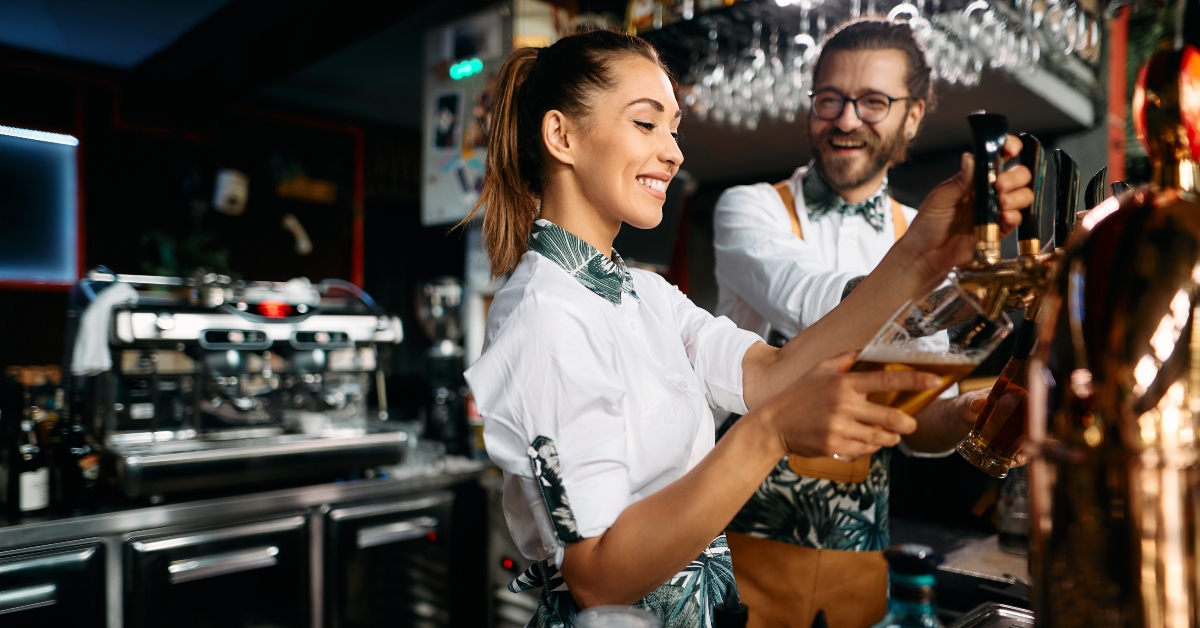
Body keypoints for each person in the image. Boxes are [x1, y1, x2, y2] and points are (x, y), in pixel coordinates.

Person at [462, 28, 1031, 628]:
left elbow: (772, 374)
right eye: (647, 124)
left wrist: (922, 254)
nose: (675, 152)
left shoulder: (644, 295)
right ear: (562, 135)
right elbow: (599, 577)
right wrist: (770, 434)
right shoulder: (543, 314)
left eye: (674, 129)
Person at [712, 19, 993, 628]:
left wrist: (966, 412)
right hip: (738, 551)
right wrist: (921, 265)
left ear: (913, 117)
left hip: (860, 563)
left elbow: (914, 419)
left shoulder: (922, 234)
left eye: (873, 102)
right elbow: (809, 296)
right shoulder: (749, 209)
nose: (845, 120)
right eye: (830, 99)